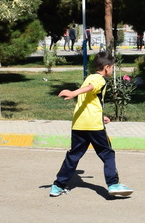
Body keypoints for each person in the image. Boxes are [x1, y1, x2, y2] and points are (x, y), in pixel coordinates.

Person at [50, 51, 133, 197]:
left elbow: (90, 101)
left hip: (79, 124)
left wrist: (101, 116)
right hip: (93, 126)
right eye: (112, 67)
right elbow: (91, 88)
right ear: (106, 67)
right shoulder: (99, 79)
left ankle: (58, 185)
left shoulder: (89, 77)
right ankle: (113, 184)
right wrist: (73, 93)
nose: (112, 70)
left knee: (74, 155)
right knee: (107, 153)